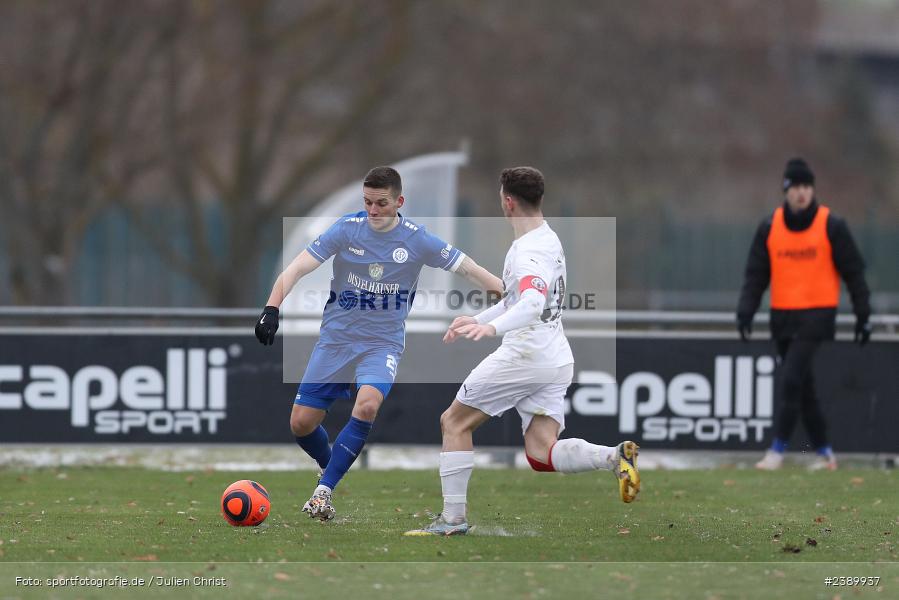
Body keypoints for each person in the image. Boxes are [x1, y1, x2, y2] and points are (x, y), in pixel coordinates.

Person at [254, 166, 503, 521]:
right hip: (336, 340)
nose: (372, 211)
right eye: (368, 202)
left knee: (367, 405)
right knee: (301, 424)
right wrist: (271, 308)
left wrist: (509, 295)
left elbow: (469, 268)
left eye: (381, 204)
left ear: (399, 202)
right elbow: (295, 269)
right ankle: (332, 467)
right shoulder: (346, 229)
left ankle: (323, 491)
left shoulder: (417, 239)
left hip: (381, 344)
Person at [405, 166, 639, 537]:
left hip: (525, 355)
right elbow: (519, 300)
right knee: (542, 453)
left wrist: (490, 328)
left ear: (507, 201)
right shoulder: (548, 238)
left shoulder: (526, 251)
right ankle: (613, 457)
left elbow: (530, 303)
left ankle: (452, 520)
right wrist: (478, 317)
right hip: (554, 356)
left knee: (454, 422)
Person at [737, 157, 871, 472]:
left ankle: (777, 451)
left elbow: (854, 273)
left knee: (792, 377)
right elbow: (756, 275)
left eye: (807, 186)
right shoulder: (770, 227)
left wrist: (863, 313)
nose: (802, 192)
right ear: (786, 190)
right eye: (796, 186)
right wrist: (746, 310)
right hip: (783, 317)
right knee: (804, 387)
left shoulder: (832, 226)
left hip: (818, 316)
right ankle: (826, 454)